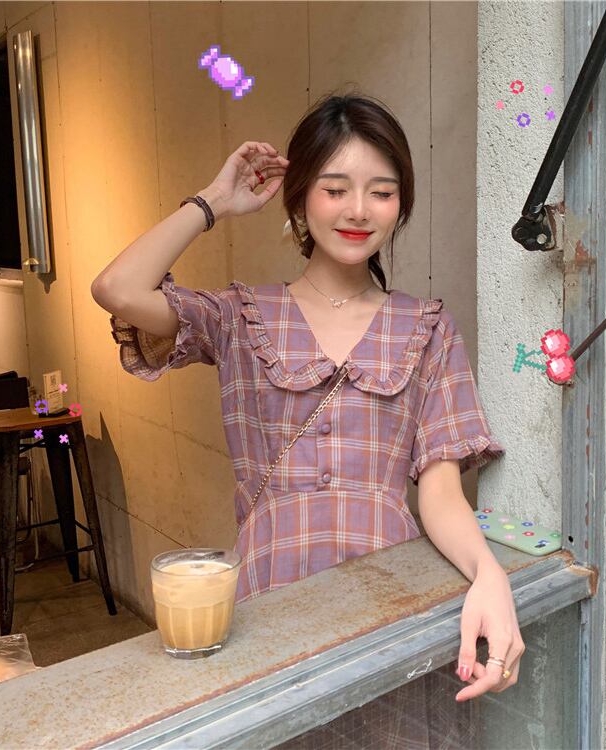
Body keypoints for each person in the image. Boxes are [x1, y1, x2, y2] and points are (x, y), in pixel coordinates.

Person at [91, 92, 524, 748]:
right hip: (269, 605)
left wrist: (489, 577)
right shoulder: (240, 317)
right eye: (335, 188)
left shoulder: (427, 327)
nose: (358, 210)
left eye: (382, 192)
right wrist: (213, 201)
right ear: (299, 200)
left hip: (391, 606)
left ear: (401, 204)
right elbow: (117, 289)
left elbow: (440, 493)